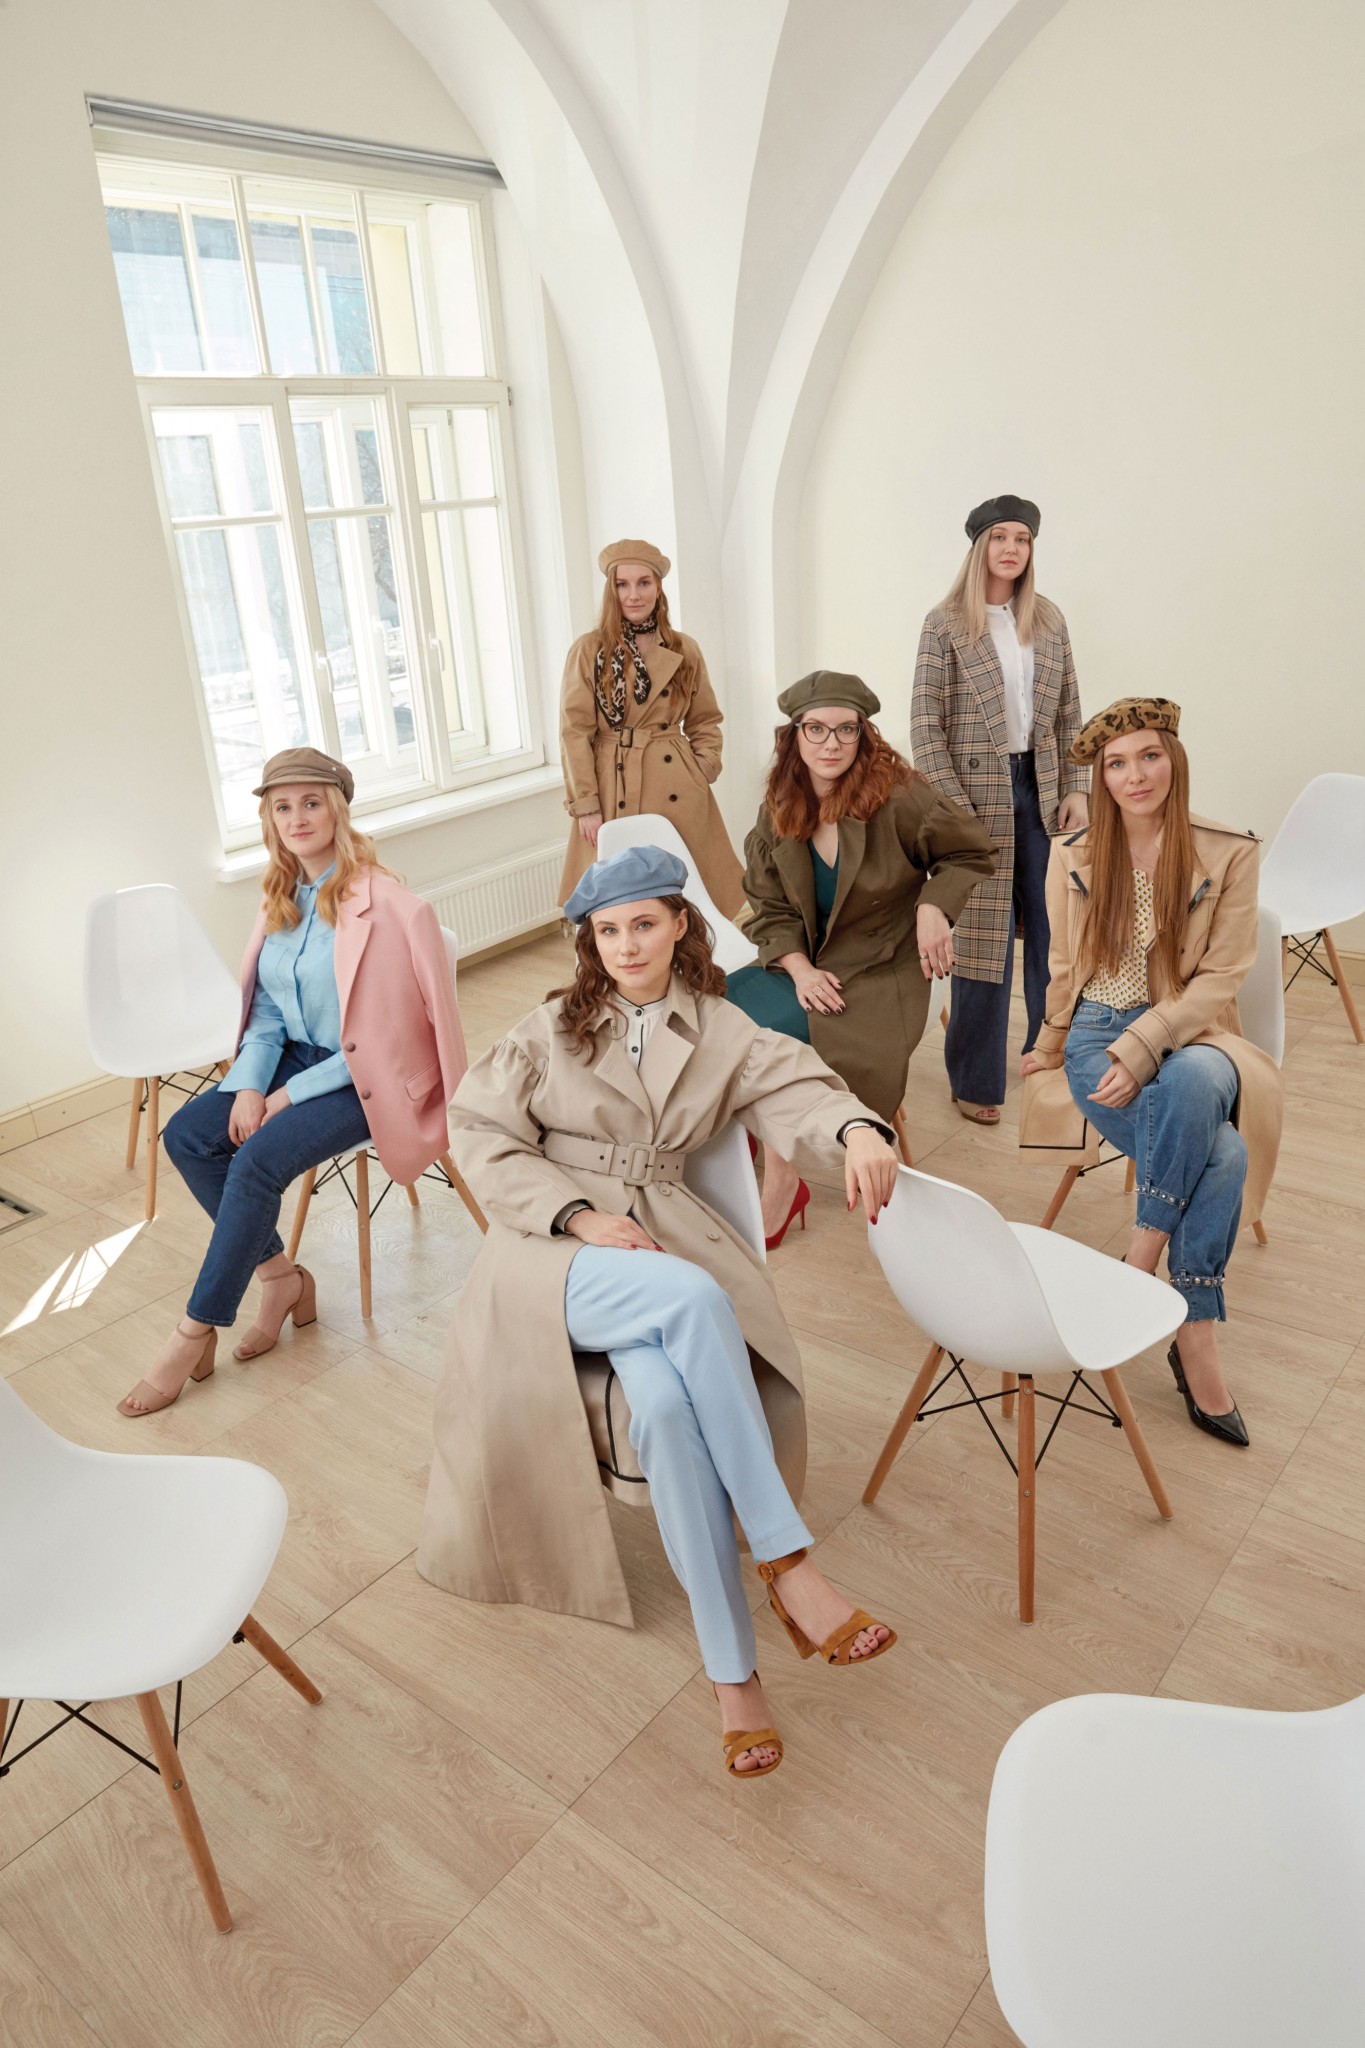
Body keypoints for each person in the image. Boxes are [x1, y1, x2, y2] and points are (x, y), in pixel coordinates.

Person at [418, 845, 901, 1778]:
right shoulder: (548, 1029)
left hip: (658, 1238)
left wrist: (851, 1128)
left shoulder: (721, 1028)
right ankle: (787, 1562)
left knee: (668, 1411)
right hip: (548, 1255)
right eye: (608, 931)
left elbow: (797, 1086)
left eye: (644, 924)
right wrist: (575, 1213)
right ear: (590, 942)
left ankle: (732, 1677)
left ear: (681, 925)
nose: (627, 946)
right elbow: (475, 1131)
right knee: (693, 1295)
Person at [118, 748, 467, 1416]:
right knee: (189, 1136)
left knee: (254, 1161)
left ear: (337, 809)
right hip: (293, 1059)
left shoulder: (390, 908)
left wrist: (283, 1097)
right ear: (269, 820)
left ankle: (193, 1332)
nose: (297, 817)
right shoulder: (281, 898)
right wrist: (252, 1084)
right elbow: (269, 1011)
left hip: (367, 1079)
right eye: (283, 807)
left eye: (311, 803)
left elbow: (385, 1043)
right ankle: (279, 1277)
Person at [1021, 698, 1284, 1446]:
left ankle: (1137, 1263)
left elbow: (1221, 976)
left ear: (1174, 759)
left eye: (1149, 756)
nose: (1134, 775)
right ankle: (1194, 1330)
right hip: (1096, 1037)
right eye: (1116, 764)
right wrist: (1051, 1039)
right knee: (1221, 1153)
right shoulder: (1072, 853)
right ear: (1100, 778)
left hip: (1197, 1033)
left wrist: (1146, 1042)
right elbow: (1063, 961)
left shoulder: (1228, 852)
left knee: (1195, 1080)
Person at [728, 670, 996, 1244]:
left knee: (786, 1035)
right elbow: (769, 906)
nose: (831, 743)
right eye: (816, 729)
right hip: (804, 963)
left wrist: (934, 906)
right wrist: (799, 968)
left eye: (845, 730)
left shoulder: (899, 796)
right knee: (721, 1018)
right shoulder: (780, 804)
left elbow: (970, 852)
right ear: (794, 735)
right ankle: (748, 1137)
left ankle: (782, 1179)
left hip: (881, 968)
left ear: (863, 734)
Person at [911, 494, 1088, 1123]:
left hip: (1042, 789)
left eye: (1022, 538)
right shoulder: (944, 624)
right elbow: (925, 729)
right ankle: (975, 1079)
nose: (1011, 548)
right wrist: (956, 811)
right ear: (979, 545)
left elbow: (1070, 712)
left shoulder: (1049, 619)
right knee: (984, 939)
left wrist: (1077, 786)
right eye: (1000, 537)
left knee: (1053, 932)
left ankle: (1047, 1055)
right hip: (973, 796)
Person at [557, 538, 745, 915]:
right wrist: (586, 804)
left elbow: (705, 719)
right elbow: (574, 732)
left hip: (675, 782)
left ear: (658, 588)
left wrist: (703, 767)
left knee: (687, 892)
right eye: (622, 584)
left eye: (644, 582)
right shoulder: (589, 650)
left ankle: (692, 949)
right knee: (615, 890)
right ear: (611, 591)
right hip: (612, 781)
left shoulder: (684, 648)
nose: (634, 595)